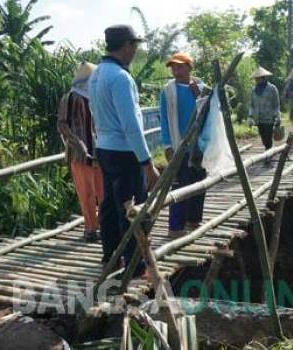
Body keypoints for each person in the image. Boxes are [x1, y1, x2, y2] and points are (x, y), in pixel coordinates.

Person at [88, 25, 160, 276]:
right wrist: (147, 163)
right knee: (132, 208)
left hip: (104, 148)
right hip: (123, 150)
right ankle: (134, 263)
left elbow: (95, 114)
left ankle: (110, 255)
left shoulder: (96, 75)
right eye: (134, 46)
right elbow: (131, 125)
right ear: (127, 46)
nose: (135, 51)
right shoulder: (120, 77)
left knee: (110, 204)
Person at [159, 53, 208, 238]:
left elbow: (209, 117)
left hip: (199, 146)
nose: (176, 71)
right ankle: (175, 227)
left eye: (180, 67)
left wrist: (199, 97)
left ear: (189, 67)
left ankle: (194, 220)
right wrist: (167, 145)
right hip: (179, 145)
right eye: (173, 67)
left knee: (198, 183)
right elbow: (164, 119)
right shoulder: (168, 91)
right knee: (179, 186)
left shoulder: (201, 90)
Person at [57, 62, 104, 242]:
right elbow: (62, 124)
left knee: (103, 191)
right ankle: (91, 229)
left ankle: (103, 225)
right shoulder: (70, 97)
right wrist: (78, 144)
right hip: (80, 154)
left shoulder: (96, 97)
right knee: (87, 193)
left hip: (99, 151)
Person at [248, 67, 281, 155]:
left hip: (269, 118)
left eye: (258, 78)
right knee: (263, 138)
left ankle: (268, 154)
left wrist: (278, 116)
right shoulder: (253, 90)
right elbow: (251, 105)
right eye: (256, 79)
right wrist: (250, 117)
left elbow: (276, 105)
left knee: (268, 137)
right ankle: (268, 151)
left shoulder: (272, 89)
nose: (257, 80)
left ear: (264, 78)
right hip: (258, 118)